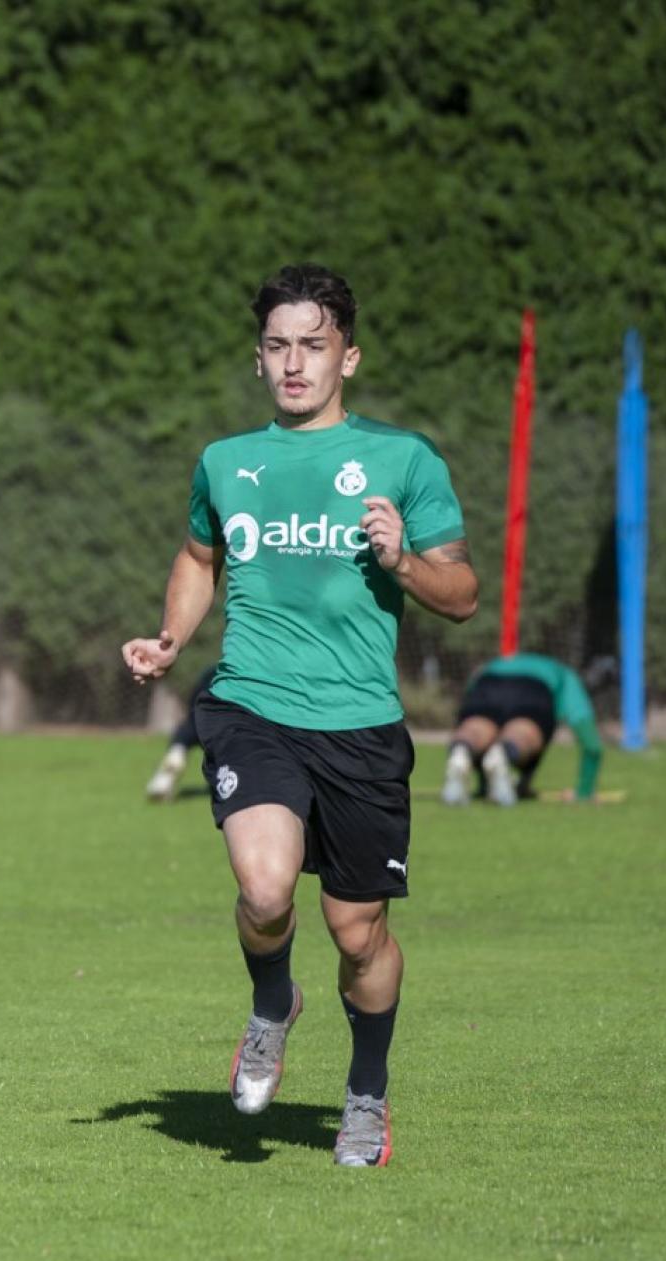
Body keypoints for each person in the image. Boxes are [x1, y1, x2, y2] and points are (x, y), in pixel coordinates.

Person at [121, 265, 478, 1167]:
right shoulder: (224, 462)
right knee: (266, 888)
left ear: (346, 357)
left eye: (312, 346)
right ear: (258, 360)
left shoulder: (404, 460)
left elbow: (463, 593)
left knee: (358, 935)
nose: (294, 363)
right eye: (278, 346)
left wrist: (403, 562)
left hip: (360, 725)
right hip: (253, 705)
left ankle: (366, 1092)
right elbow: (200, 557)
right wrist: (171, 637)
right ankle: (272, 1002)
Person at [443, 653, 604, 805]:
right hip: (534, 687)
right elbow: (591, 743)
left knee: (478, 726)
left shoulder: (495, 664)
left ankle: (461, 753)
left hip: (488, 682)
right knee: (522, 728)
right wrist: (584, 792)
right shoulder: (564, 675)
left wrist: (484, 786)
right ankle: (503, 755)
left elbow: (468, 704)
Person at [143, 664, 217, 801]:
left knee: (182, 740)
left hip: (198, 717)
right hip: (224, 724)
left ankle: (166, 773)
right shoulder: (239, 672)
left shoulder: (210, 672)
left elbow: (194, 699)